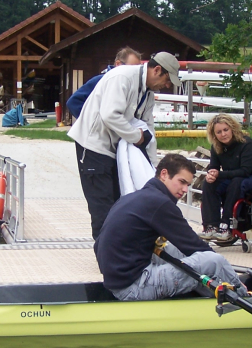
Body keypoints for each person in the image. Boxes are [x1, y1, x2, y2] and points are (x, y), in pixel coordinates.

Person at [94, 153, 249, 301]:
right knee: (213, 261)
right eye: (182, 182)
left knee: (173, 249)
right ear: (164, 174)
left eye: (188, 185)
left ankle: (210, 290)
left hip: (117, 283)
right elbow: (194, 245)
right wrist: (226, 273)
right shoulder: (159, 203)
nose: (185, 190)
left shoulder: (133, 197)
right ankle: (244, 295)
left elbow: (98, 245)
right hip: (134, 288)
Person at [68, 51, 181, 240]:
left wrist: (152, 166)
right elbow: (109, 114)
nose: (167, 86)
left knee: (119, 204)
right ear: (157, 70)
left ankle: (118, 251)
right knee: (102, 206)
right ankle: (106, 257)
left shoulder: (148, 93)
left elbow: (148, 130)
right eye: (168, 81)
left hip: (114, 149)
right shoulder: (122, 77)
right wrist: (134, 137)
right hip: (93, 146)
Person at [198, 114, 252, 241]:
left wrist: (220, 174)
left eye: (226, 130)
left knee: (237, 183)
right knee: (208, 184)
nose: (223, 134)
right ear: (214, 135)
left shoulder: (247, 143)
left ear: (232, 129)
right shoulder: (216, 147)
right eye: (219, 132)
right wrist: (211, 174)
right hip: (233, 176)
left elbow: (245, 171)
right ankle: (211, 225)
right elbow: (214, 166)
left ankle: (227, 225)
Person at [66, 47, 142, 118]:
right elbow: (73, 103)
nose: (134, 73)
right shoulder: (100, 80)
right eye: (131, 68)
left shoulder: (132, 86)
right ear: (118, 64)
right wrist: (95, 123)